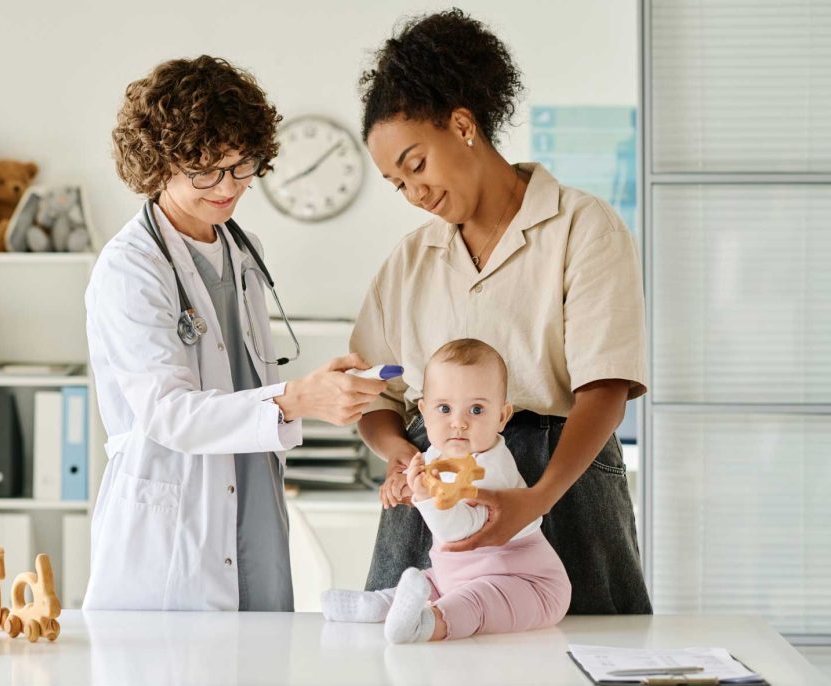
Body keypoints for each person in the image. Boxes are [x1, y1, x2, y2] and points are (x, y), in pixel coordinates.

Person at [351, 9, 651, 614]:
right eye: (397, 184)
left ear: (462, 125)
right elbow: (374, 393)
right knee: (419, 654)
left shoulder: (579, 227)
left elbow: (606, 386)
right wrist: (404, 455)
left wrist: (535, 498)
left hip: (562, 478)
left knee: (581, 655)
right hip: (436, 491)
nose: (415, 194)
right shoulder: (410, 261)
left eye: (415, 165)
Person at [82, 55, 386, 612]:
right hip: (176, 517)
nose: (228, 188)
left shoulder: (244, 252)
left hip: (253, 495)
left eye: (241, 166)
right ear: (157, 164)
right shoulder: (131, 267)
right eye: (205, 170)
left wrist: (314, 393)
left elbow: (242, 379)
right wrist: (297, 401)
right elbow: (169, 412)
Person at [321, 339, 570, 643]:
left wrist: (424, 497)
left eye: (476, 410)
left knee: (476, 602)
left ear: (502, 417)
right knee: (428, 582)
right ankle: (372, 606)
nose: (459, 423)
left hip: (525, 582)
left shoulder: (494, 468)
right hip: (454, 574)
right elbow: (421, 488)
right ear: (424, 413)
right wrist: (403, 486)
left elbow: (459, 531)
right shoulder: (435, 456)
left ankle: (424, 625)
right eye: (444, 408)